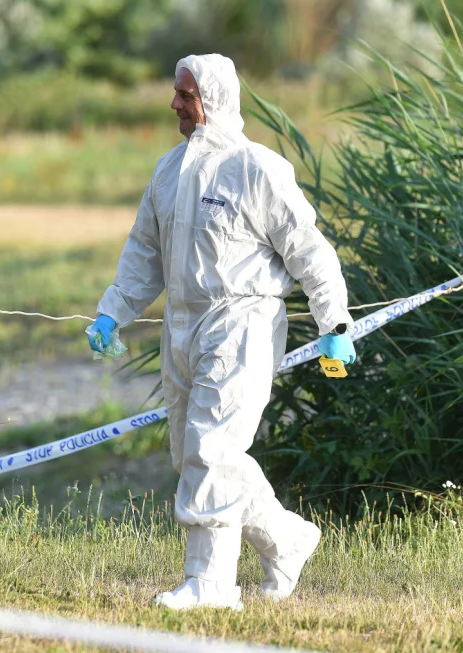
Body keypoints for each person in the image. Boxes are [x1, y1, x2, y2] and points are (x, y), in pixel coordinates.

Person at [86, 53, 357, 611]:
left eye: (186, 95)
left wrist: (334, 321)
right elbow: (144, 252)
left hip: (241, 325)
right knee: (196, 453)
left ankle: (209, 585)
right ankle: (287, 540)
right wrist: (113, 311)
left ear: (213, 99)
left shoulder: (257, 169)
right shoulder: (168, 171)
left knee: (212, 449)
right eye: (176, 92)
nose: (175, 104)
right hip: (181, 327)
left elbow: (308, 249)